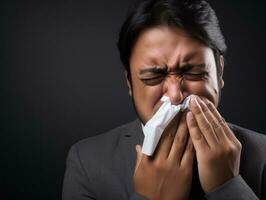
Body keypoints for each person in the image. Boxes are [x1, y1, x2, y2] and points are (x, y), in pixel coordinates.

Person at [62, 0, 266, 199]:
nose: (175, 96)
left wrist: (228, 186)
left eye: (194, 73)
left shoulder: (263, 154)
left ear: (219, 72)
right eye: (153, 77)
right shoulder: (88, 161)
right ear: (129, 82)